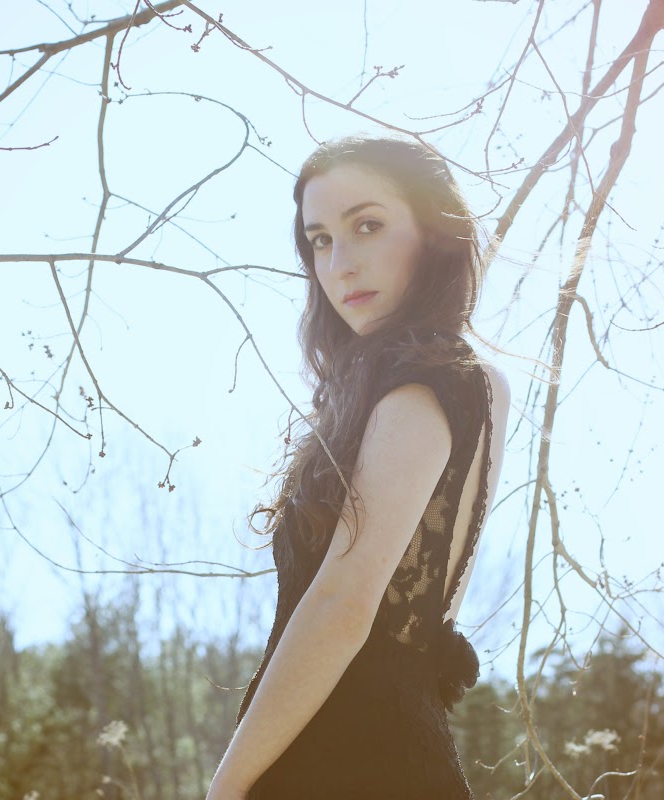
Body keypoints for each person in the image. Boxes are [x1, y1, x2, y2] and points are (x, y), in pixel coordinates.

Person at [207, 134, 511, 799]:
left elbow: (343, 607)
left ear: (434, 233)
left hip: (342, 762)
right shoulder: (478, 386)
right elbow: (431, 619)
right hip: (391, 752)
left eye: (366, 226)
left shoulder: (419, 387)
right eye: (319, 240)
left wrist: (225, 788)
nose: (339, 265)